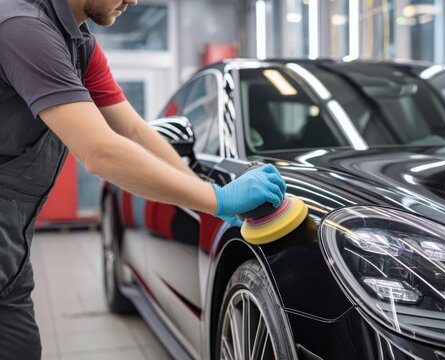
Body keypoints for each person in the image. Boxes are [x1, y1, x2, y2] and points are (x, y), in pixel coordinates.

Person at [0, 0, 286, 358]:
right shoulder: (22, 27)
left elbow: (135, 130)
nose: (133, 0)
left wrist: (207, 194)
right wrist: (216, 199)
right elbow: (100, 152)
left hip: (13, 251)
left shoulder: (80, 46)